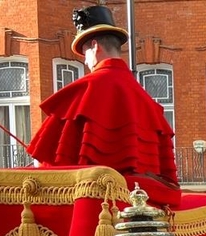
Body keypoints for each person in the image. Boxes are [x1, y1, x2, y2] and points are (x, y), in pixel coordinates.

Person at [27, 4, 180, 206]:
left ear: (94, 46)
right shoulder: (146, 100)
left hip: (94, 213)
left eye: (85, 53)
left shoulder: (84, 90)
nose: (86, 62)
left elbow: (46, 165)